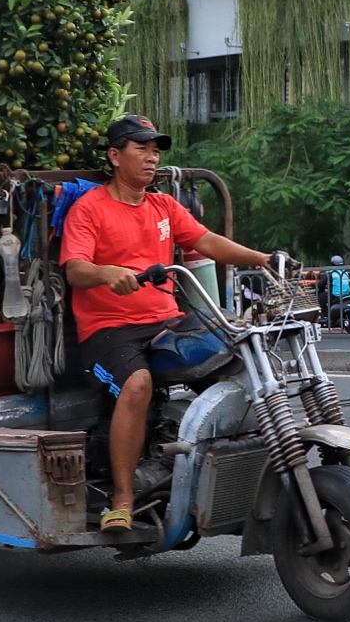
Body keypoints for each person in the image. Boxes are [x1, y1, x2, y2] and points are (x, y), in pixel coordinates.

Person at [60, 116, 275, 533]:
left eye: (156, 149)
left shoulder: (162, 205)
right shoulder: (91, 208)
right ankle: (121, 499)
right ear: (115, 155)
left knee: (235, 354)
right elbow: (75, 268)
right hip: (109, 330)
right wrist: (107, 274)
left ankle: (237, 467)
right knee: (137, 383)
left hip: (165, 322)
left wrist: (262, 259)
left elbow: (207, 241)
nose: (152, 156)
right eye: (141, 148)